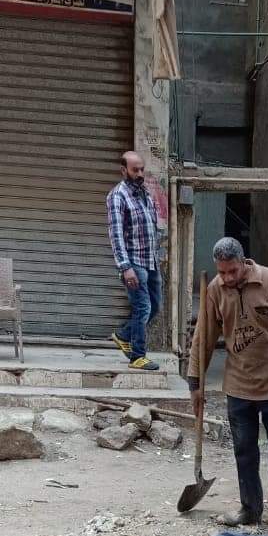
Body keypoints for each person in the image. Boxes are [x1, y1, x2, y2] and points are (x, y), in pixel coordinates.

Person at [187, 237, 268, 536]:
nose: (228, 278)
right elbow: (203, 338)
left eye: (232, 271)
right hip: (238, 386)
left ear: (244, 262)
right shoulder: (215, 290)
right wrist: (195, 383)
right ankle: (250, 508)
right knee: (244, 451)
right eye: (222, 272)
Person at [106, 151, 161, 372]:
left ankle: (123, 335)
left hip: (151, 260)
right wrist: (125, 267)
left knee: (155, 306)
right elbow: (116, 234)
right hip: (133, 263)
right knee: (143, 307)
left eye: (141, 169)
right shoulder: (117, 196)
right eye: (135, 170)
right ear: (124, 171)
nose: (139, 174)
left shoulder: (144, 193)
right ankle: (138, 356)